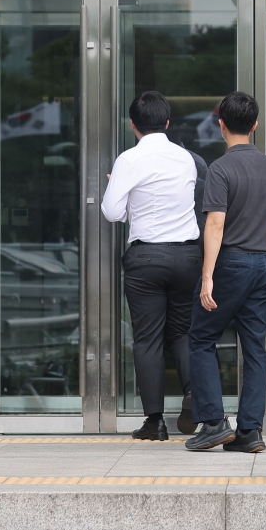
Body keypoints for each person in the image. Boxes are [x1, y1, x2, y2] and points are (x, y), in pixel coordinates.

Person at [185, 91, 266, 453]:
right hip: (265, 262)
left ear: (221, 125)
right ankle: (250, 432)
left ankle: (214, 423)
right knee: (255, 347)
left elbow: (215, 224)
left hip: (231, 262)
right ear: (255, 125)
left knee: (201, 338)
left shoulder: (221, 168)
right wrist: (264, 256)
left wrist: (208, 276)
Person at [101, 91, 201, 440]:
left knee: (147, 339)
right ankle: (195, 394)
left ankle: (154, 422)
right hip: (188, 256)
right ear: (167, 123)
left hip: (147, 258)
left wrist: (128, 198)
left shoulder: (129, 159)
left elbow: (112, 212)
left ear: (133, 125)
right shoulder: (186, 158)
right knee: (183, 332)